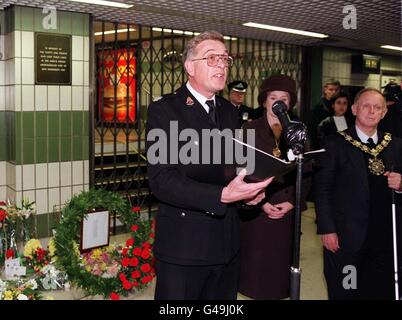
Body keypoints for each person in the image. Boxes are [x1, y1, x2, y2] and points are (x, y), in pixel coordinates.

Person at [145, 31, 273, 300]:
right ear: (190, 67)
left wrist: (249, 195)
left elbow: (239, 167)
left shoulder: (230, 112)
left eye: (225, 59)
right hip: (185, 246)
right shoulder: (166, 111)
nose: (222, 65)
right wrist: (221, 195)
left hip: (227, 244)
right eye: (212, 58)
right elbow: (162, 180)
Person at [314, 88, 402, 300]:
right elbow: (322, 188)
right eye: (366, 106)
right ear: (354, 109)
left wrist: (400, 184)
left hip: (385, 237)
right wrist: (327, 229)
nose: (372, 111)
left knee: (381, 289)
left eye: (377, 107)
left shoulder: (396, 145)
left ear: (384, 113)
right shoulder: (335, 143)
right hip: (347, 237)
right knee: (347, 288)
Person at [238, 74, 311, 299]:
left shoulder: (298, 129)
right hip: (257, 208)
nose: (278, 102)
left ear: (290, 103)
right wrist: (262, 202)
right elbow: (241, 169)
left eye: (284, 98)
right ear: (264, 101)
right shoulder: (249, 128)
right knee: (256, 273)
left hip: (288, 210)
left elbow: (307, 170)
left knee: (281, 273)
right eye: (273, 97)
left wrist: (293, 202)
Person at [309, 79, 341, 149]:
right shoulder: (318, 108)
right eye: (331, 89)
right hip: (322, 146)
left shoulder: (341, 107)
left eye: (336, 90)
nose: (334, 92)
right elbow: (314, 132)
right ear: (325, 90)